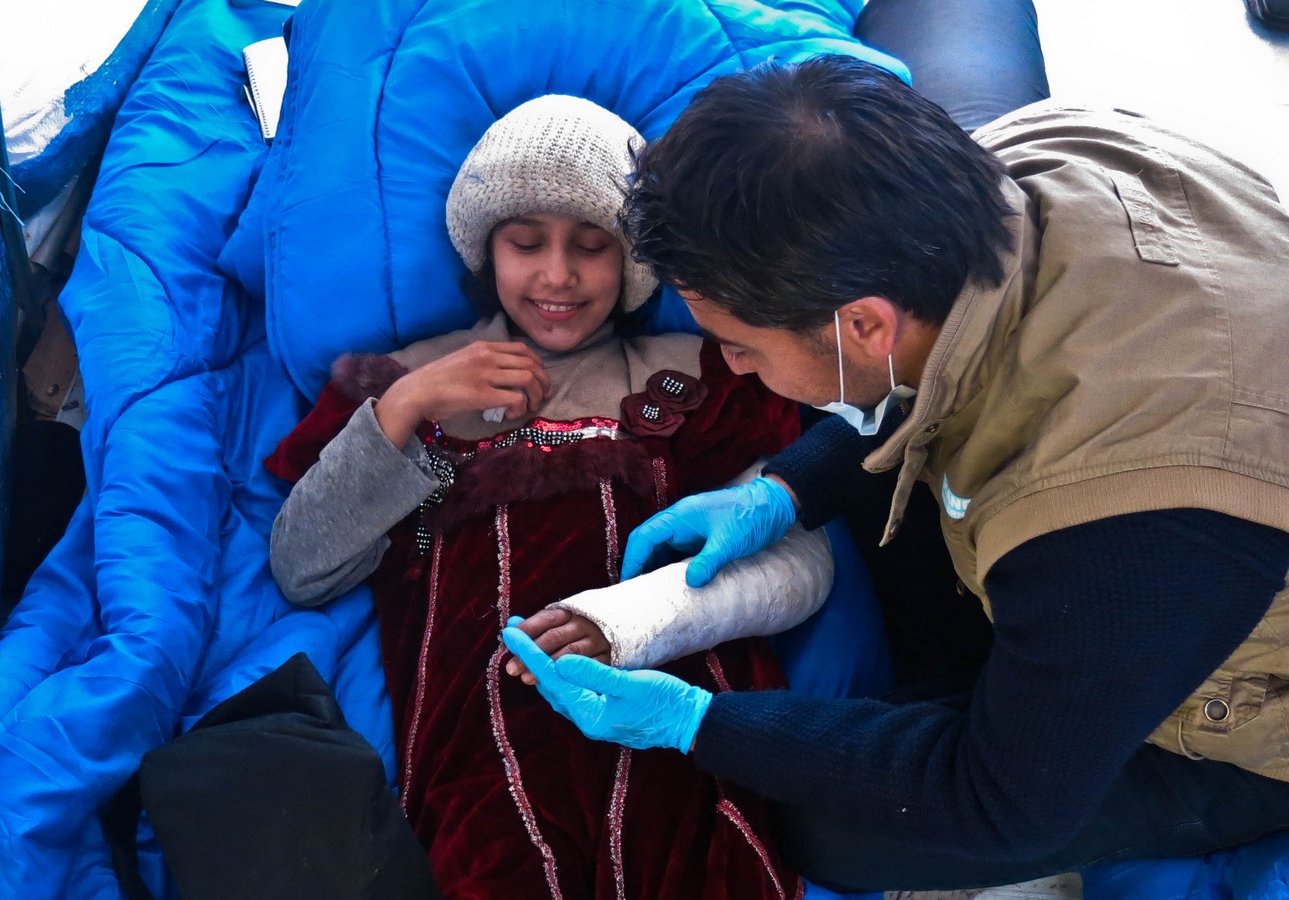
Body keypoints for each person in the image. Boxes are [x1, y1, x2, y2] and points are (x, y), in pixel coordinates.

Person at [502, 55, 1289, 893]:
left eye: (741, 345)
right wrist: (791, 488)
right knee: (824, 416)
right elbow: (938, 370)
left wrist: (698, 722)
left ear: (866, 323)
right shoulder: (1033, 156)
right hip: (1157, 545)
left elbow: (999, 806)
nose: (732, 364)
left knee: (829, 830)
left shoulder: (1125, 524)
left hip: (1244, 720)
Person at [265, 95, 835, 899]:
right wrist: (405, 406)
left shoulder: (704, 371)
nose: (557, 275)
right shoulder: (400, 383)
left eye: (594, 246)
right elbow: (302, 569)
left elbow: (792, 551)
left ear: (636, 261)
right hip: (484, 743)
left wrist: (634, 624)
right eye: (525, 242)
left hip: (679, 712)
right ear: (484, 250)